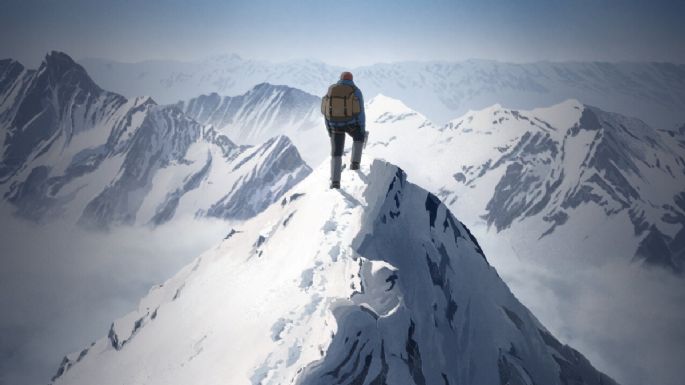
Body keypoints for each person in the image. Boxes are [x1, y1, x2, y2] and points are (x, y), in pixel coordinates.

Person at [321, 71, 366, 189]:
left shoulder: (331, 90)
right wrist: (361, 129)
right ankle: (355, 164)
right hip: (351, 124)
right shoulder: (356, 91)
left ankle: (335, 182)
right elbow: (360, 113)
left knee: (336, 153)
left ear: (340, 78)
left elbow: (326, 112)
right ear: (351, 79)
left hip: (335, 125)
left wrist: (329, 129)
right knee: (359, 138)